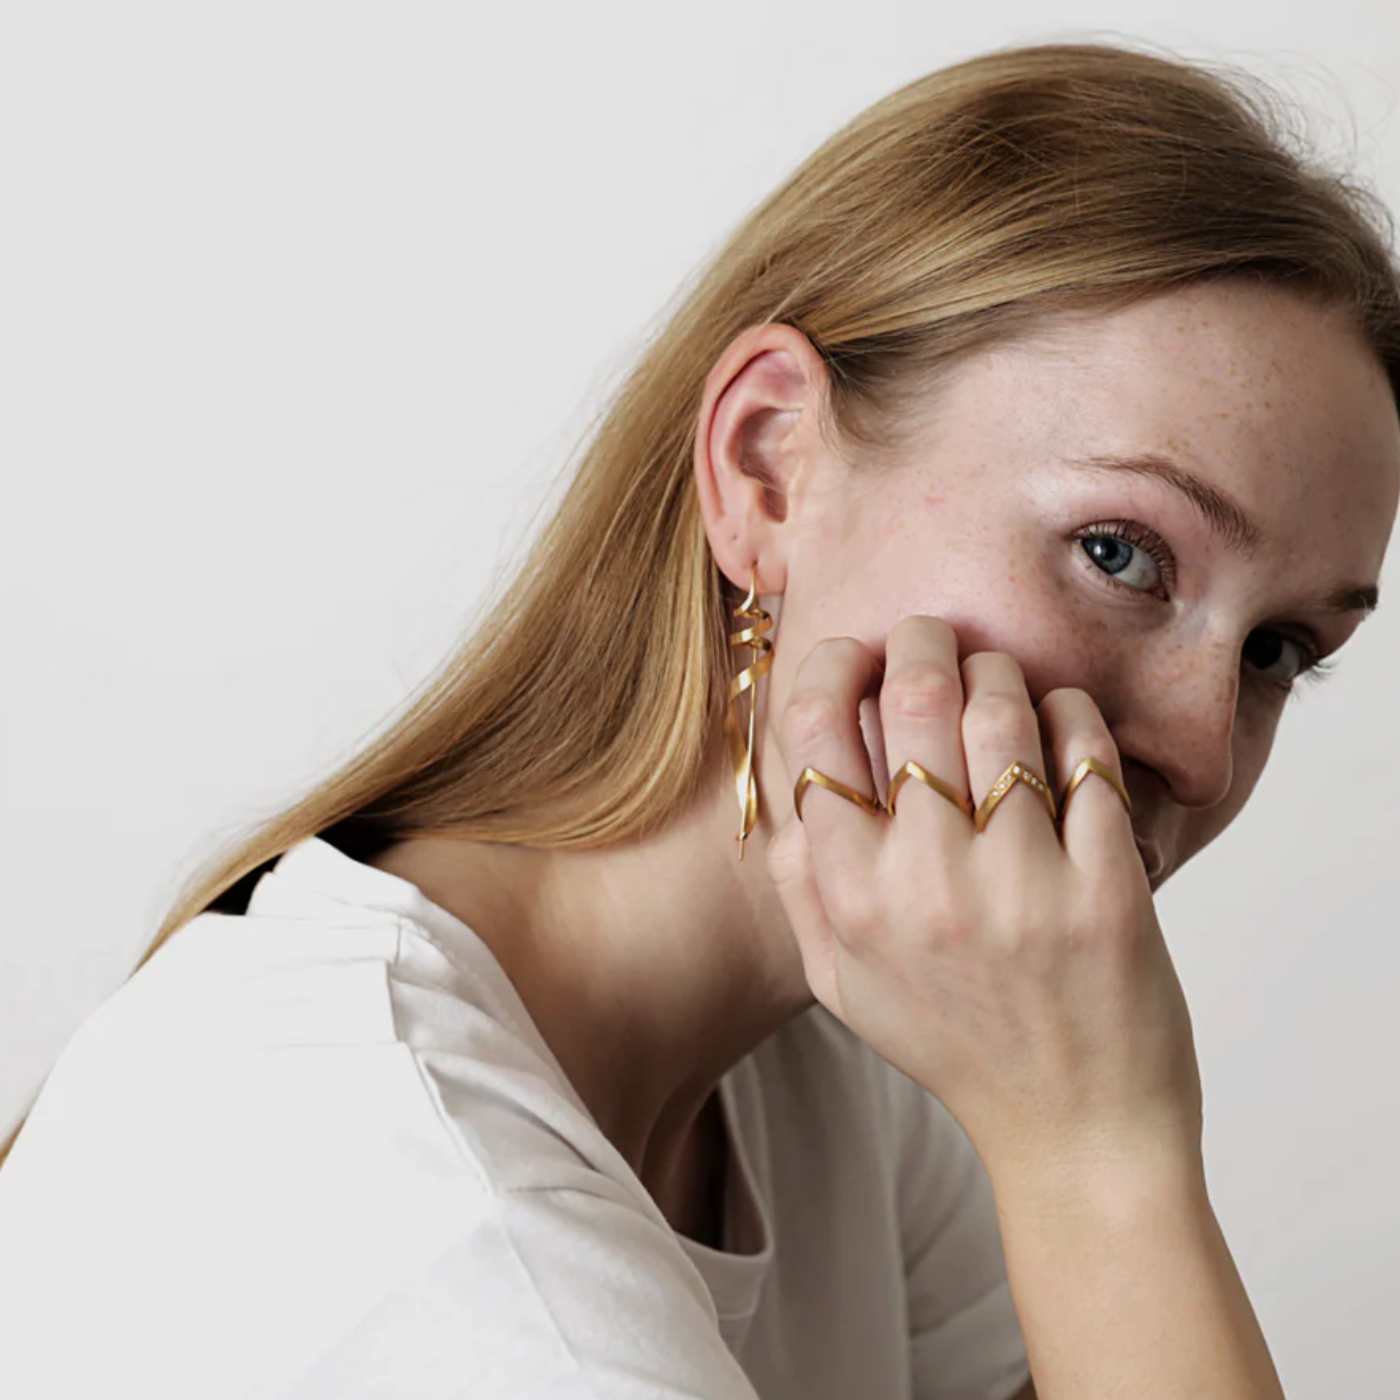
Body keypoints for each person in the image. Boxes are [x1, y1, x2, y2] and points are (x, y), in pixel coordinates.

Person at [1, 38, 1397, 1400]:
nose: (1203, 750)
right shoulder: (426, 1223)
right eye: (1119, 552)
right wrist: (1100, 1159)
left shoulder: (846, 1073)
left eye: (1280, 648)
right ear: (770, 467)